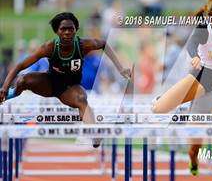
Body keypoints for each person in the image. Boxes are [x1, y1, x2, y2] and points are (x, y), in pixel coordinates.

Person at [0, 12, 131, 148]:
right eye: (63, 29)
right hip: (50, 83)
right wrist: (4, 87)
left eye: (71, 29)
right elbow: (20, 65)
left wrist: (120, 68)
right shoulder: (49, 47)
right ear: (57, 31)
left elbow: (104, 44)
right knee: (23, 80)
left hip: (70, 88)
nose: (67, 32)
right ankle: (9, 94)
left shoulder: (83, 45)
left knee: (81, 99)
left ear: (76, 30)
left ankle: (94, 133)